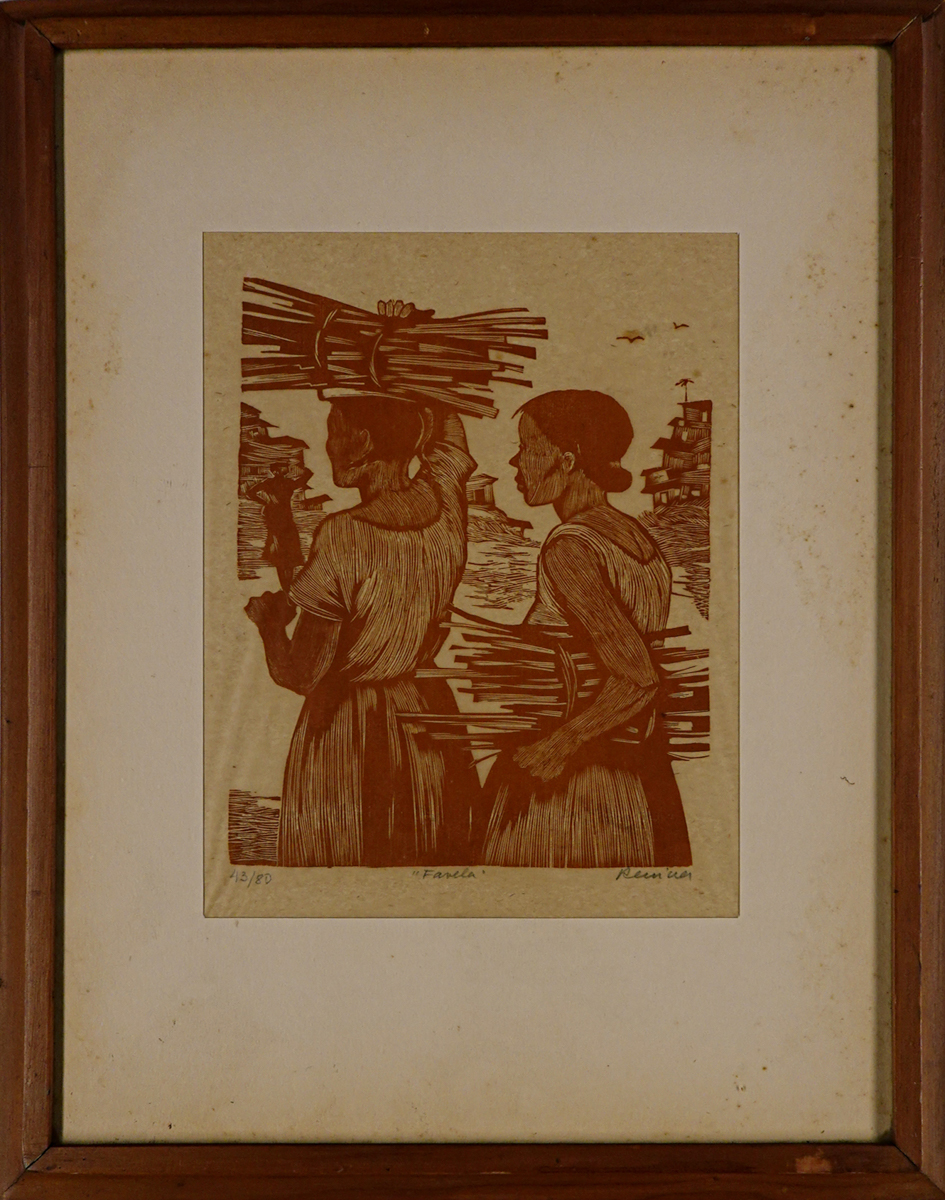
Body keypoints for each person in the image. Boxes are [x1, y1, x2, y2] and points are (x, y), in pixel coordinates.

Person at [245, 397, 478, 867]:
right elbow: (449, 432)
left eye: (334, 431)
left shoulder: (343, 533)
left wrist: (269, 626)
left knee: (344, 870)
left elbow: (301, 673)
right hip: (428, 715)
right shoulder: (447, 503)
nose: (328, 445)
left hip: (350, 728)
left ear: (365, 441)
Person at [480, 390, 692, 868]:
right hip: (634, 771)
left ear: (568, 459)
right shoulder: (637, 537)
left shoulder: (571, 547)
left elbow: (638, 675)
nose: (515, 461)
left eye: (527, 446)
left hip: (575, 782)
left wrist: (559, 744)